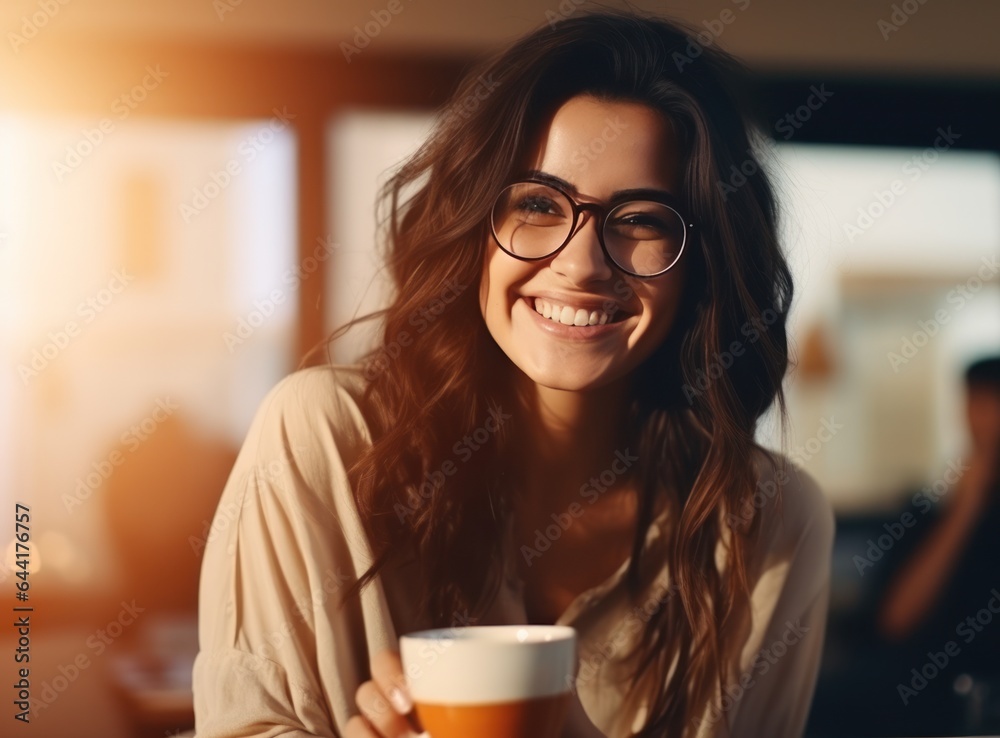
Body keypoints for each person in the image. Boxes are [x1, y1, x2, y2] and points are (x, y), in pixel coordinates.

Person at [192, 10, 835, 738]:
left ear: (704, 266)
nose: (583, 264)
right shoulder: (327, 439)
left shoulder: (770, 523)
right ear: (473, 231)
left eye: (642, 219)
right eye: (537, 204)